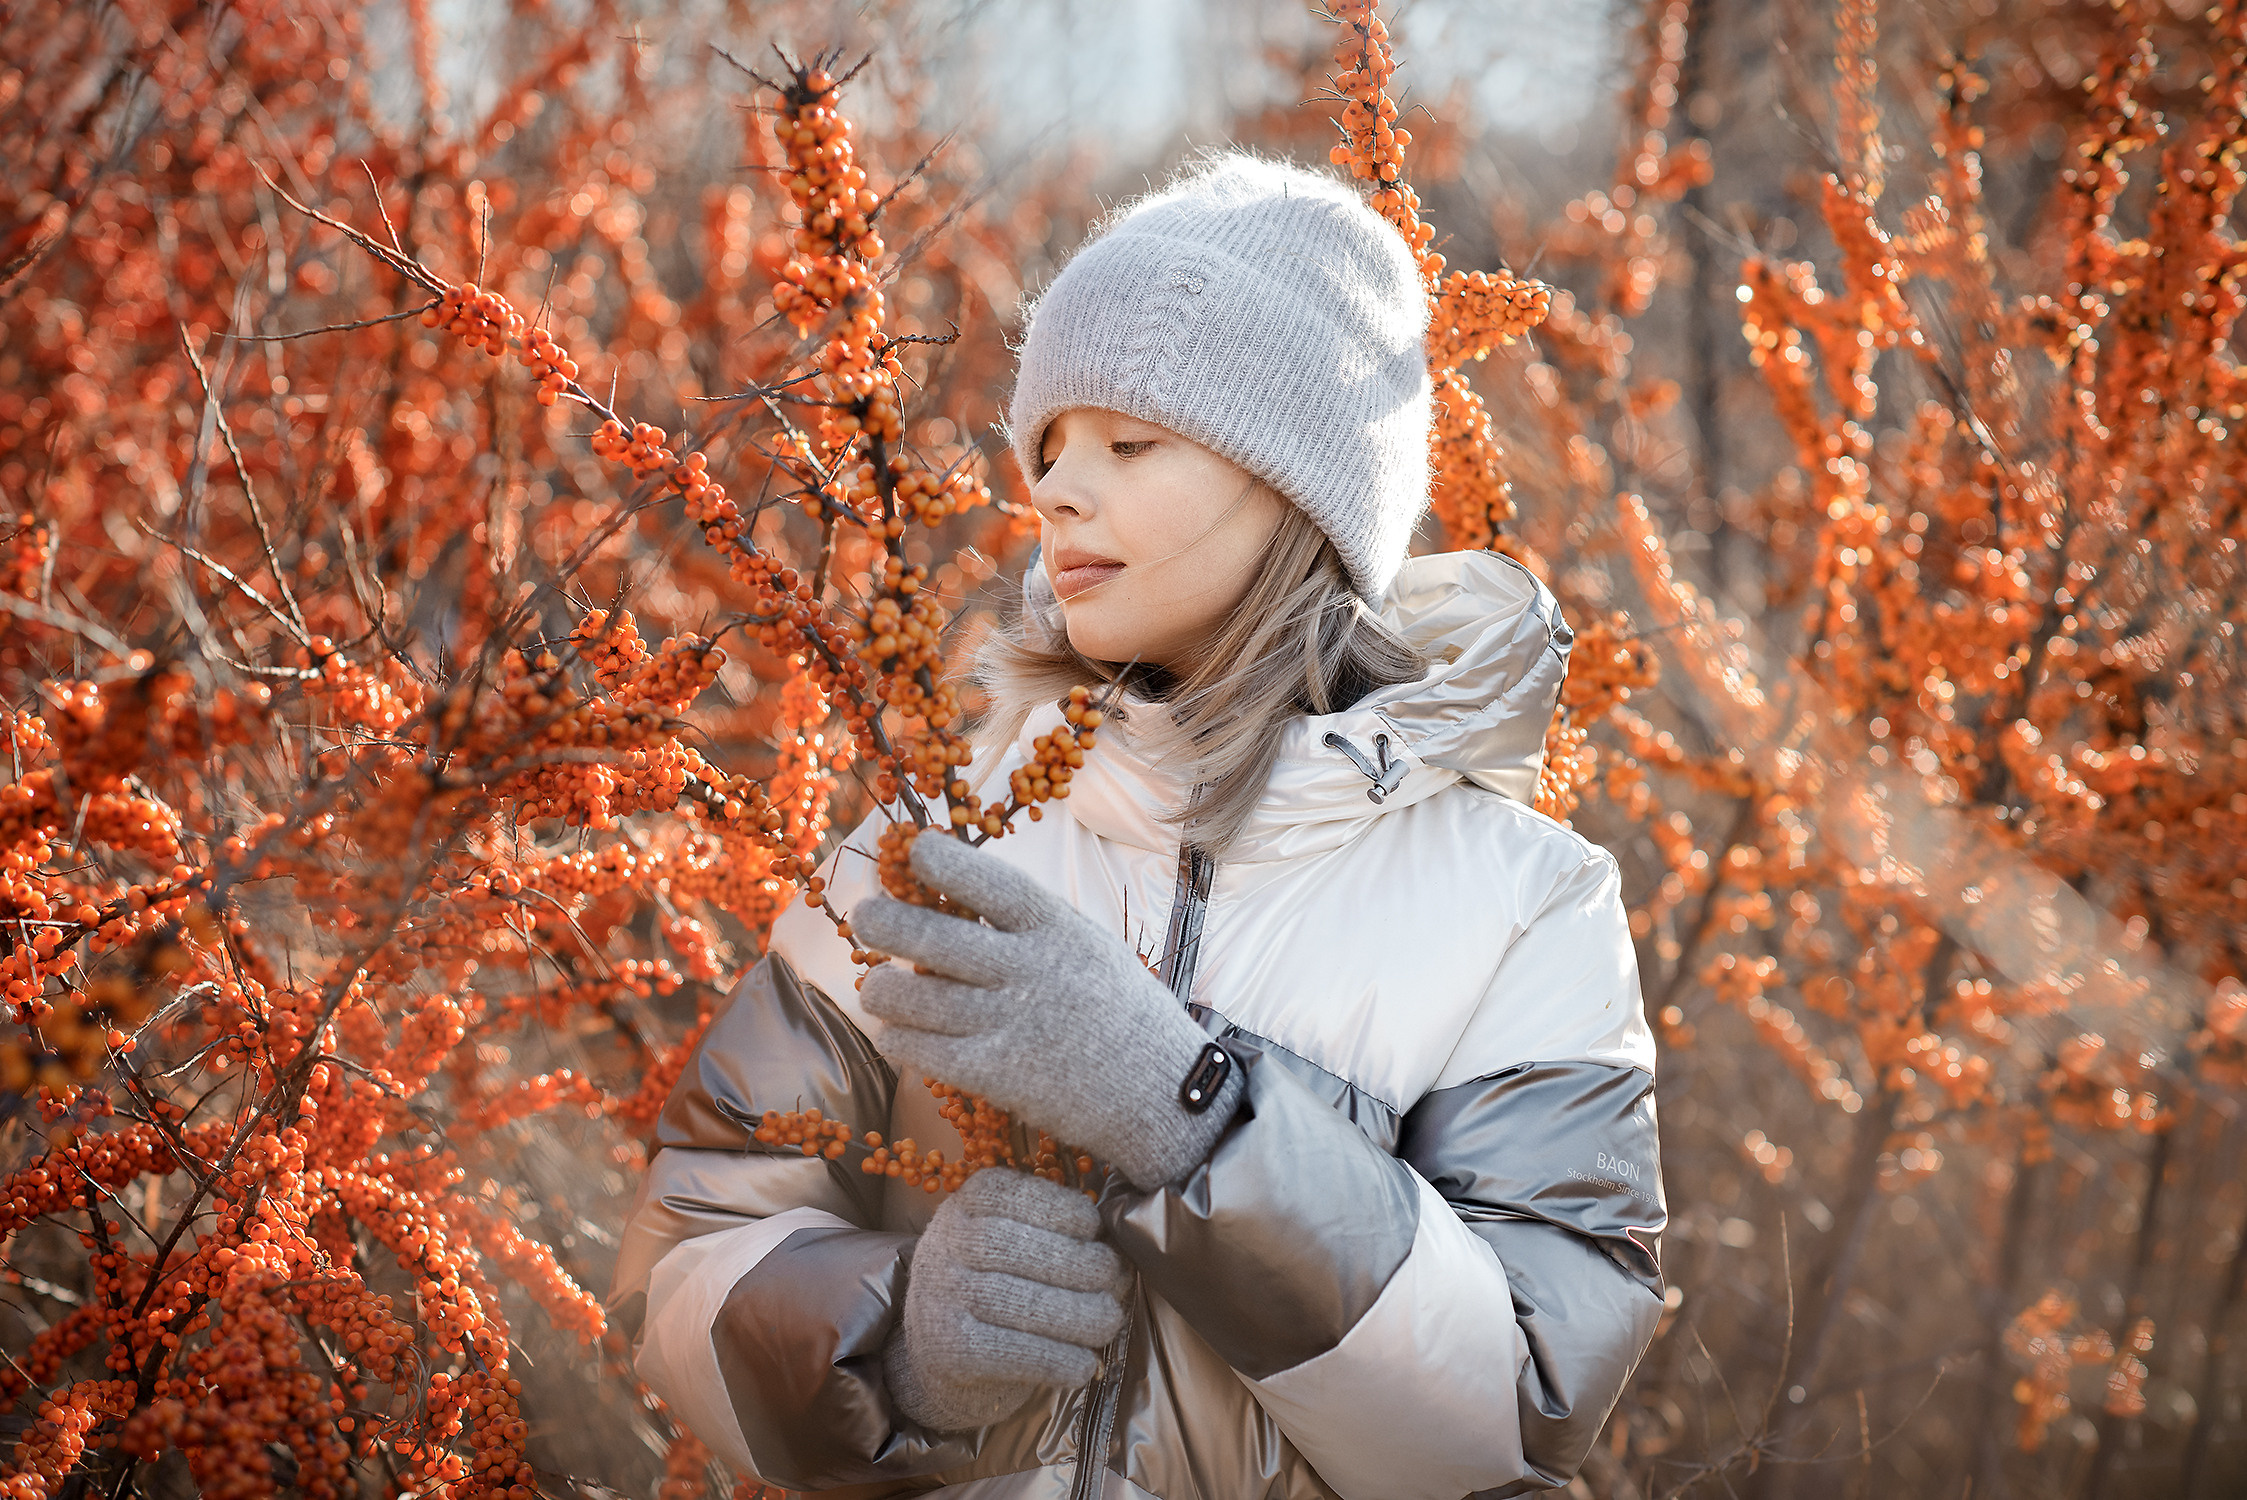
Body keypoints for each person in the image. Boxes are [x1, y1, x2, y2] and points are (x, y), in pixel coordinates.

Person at [612, 152, 1666, 1500]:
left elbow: (1518, 1415)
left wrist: (1198, 1126)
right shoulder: (930, 848)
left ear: (1294, 485)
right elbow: (685, 1255)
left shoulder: (1527, 902)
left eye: (1128, 443)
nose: (1054, 491)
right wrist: (897, 1345)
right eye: (1047, 448)